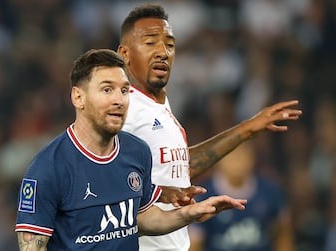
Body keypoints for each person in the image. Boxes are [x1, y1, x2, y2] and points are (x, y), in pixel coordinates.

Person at [14, 49, 247, 251]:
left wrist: (189, 215)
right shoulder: (48, 168)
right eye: (107, 90)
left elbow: (141, 219)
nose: (119, 100)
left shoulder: (136, 152)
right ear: (78, 97)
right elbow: (33, 244)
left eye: (124, 91)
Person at [117, 4, 302, 251]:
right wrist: (163, 195)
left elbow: (182, 167)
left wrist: (247, 129)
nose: (162, 52)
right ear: (124, 54)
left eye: (169, 45)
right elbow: (107, 183)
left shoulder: (157, 108)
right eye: (150, 43)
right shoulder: (123, 109)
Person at [189, 142, 295, 251]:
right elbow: (195, 244)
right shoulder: (203, 196)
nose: (238, 161)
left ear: (252, 158)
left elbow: (283, 233)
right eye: (231, 155)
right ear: (219, 159)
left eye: (242, 154)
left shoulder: (270, 191)